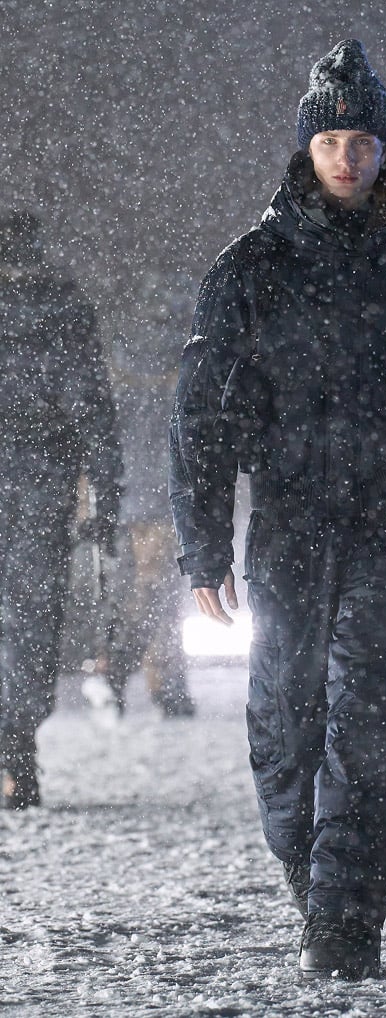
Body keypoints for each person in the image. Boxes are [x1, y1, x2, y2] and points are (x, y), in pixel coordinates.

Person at [169, 40, 386, 979]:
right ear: (306, 149)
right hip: (287, 525)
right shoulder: (251, 268)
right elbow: (200, 417)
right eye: (330, 141)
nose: (347, 158)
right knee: (285, 726)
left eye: (362, 141)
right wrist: (204, 546)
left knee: (372, 724)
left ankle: (346, 923)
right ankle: (314, 882)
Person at [0, 209, 122, 809]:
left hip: (37, 473)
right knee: (32, 614)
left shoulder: (61, 307)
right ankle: (17, 745)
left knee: (29, 613)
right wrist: (106, 487)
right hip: (40, 475)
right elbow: (90, 399)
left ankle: (15, 745)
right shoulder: (63, 306)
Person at [95, 304, 196, 718]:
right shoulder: (180, 369)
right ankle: (135, 673)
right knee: (157, 592)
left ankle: (131, 672)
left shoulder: (118, 371)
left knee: (143, 592)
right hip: (159, 495)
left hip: (128, 495)